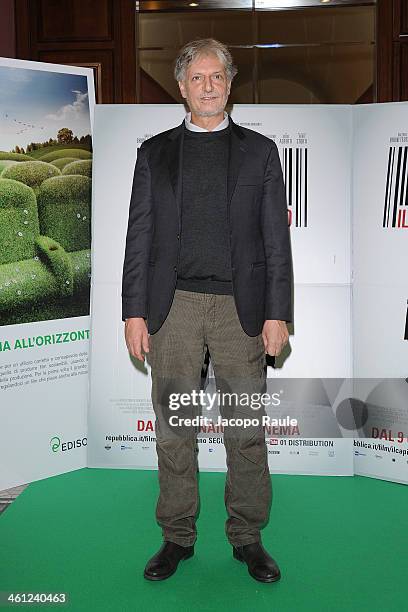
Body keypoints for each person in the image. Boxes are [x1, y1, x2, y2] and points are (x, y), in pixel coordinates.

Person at [122, 38, 292, 583]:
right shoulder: (153, 154)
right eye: (198, 77)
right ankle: (176, 537)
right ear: (182, 87)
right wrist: (133, 313)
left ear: (230, 84)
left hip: (241, 311)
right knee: (175, 428)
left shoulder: (261, 152)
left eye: (217, 76)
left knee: (244, 428)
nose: (208, 85)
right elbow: (139, 238)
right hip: (172, 310)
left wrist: (277, 313)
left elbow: (275, 242)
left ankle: (248, 538)